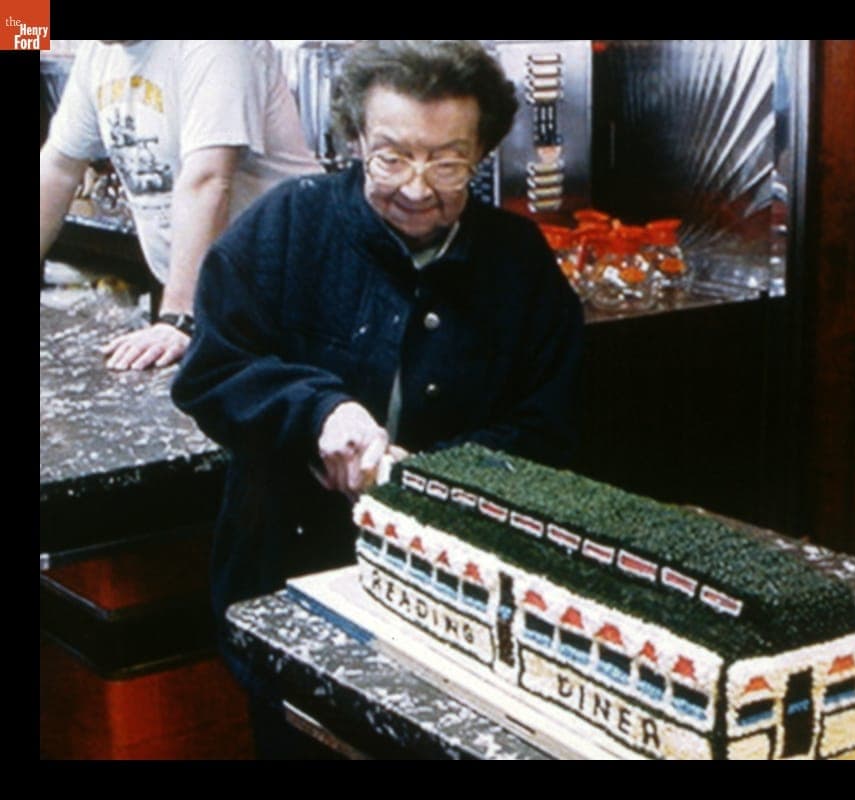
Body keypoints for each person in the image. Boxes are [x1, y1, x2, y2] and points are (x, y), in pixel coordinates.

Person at [170, 40, 584, 758]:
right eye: (390, 157)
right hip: (290, 580)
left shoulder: (518, 263)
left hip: (456, 599)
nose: (418, 189)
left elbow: (555, 423)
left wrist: (423, 477)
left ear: (483, 149)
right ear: (355, 139)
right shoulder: (287, 227)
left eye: (448, 162)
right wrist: (318, 413)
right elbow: (213, 370)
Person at [40, 40, 321, 371]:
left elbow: (208, 179)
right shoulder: (99, 52)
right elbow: (57, 170)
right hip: (226, 302)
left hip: (294, 300)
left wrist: (180, 317)